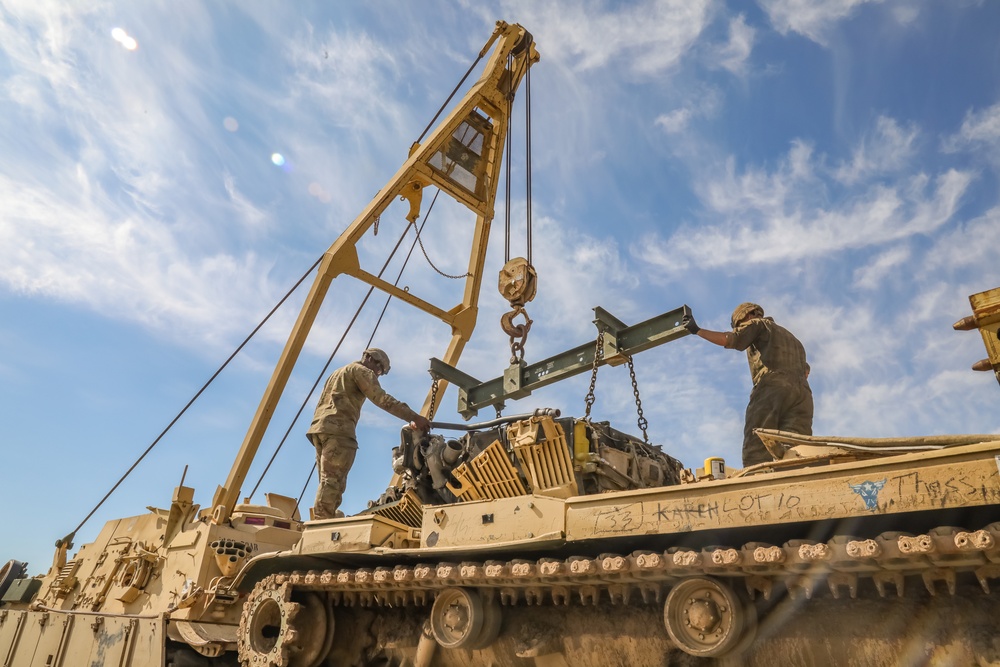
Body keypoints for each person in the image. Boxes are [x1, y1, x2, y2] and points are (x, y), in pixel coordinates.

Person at [681, 302, 813, 467]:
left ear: (748, 315)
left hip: (772, 386)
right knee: (796, 446)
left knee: (757, 442)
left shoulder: (756, 324)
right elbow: (806, 371)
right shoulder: (792, 338)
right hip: (803, 395)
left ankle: (756, 485)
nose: (741, 328)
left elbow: (730, 339)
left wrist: (697, 330)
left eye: (739, 325)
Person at [306, 347, 431, 519]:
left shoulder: (339, 372)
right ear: (370, 359)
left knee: (327, 480)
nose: (378, 375)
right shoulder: (361, 370)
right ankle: (322, 522)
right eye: (379, 370)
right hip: (339, 430)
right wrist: (414, 417)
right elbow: (381, 399)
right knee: (333, 481)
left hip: (321, 429)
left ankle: (326, 516)